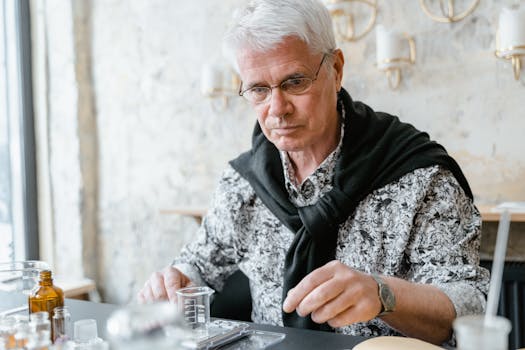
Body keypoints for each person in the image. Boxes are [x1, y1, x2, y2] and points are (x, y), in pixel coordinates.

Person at [138, 0, 489, 346]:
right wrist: (175, 281)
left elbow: (470, 308)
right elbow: (199, 263)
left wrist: (384, 294)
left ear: (336, 69)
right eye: (259, 89)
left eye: (295, 82)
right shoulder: (242, 185)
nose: (277, 109)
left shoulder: (419, 177)